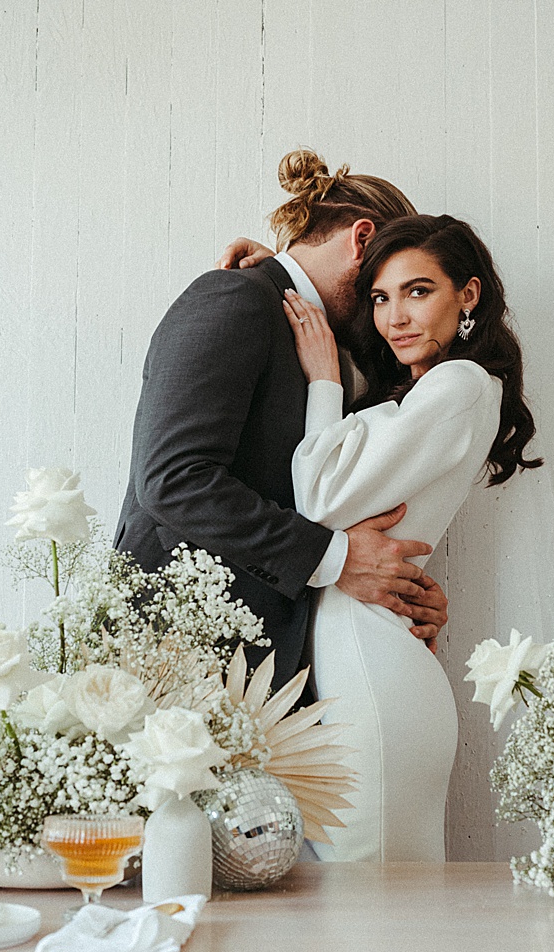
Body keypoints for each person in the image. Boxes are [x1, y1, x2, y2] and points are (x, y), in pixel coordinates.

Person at [116, 150, 450, 699]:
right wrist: (336, 559)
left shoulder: (317, 336)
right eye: (382, 286)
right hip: (170, 654)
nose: (384, 312)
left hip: (267, 670)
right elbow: (173, 478)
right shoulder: (233, 297)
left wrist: (402, 588)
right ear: (361, 240)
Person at [273, 213, 543, 862]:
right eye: (380, 297)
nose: (395, 315)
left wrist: (324, 382)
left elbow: (320, 496)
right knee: (375, 898)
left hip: (372, 657)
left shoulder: (457, 385)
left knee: (369, 897)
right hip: (371, 651)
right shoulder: (422, 394)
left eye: (418, 291)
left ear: (467, 295)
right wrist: (276, 262)